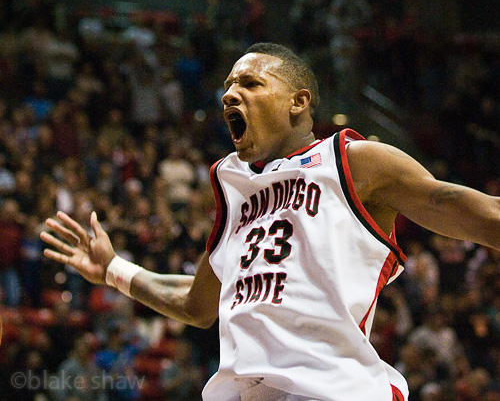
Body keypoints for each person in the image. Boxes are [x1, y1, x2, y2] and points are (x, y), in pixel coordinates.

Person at [41, 43, 500, 401]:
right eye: (227, 84)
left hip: (332, 390)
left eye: (250, 83)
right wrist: (114, 271)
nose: (228, 93)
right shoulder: (236, 191)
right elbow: (200, 303)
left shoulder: (352, 162)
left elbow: (459, 206)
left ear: (298, 102)